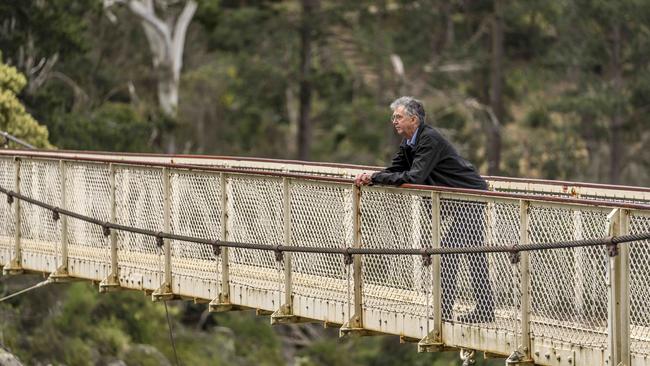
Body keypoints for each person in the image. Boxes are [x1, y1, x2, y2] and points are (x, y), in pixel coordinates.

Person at [354, 96, 494, 323]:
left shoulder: (429, 139)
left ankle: (445, 314)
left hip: (470, 196)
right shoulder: (409, 142)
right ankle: (482, 309)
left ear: (414, 119)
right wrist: (373, 177)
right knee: (471, 252)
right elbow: (397, 168)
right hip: (457, 199)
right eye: (393, 117)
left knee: (449, 252)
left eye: (398, 117)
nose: (394, 121)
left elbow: (415, 176)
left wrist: (376, 177)